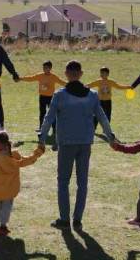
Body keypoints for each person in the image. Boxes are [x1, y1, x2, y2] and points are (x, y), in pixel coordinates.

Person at [39, 60, 115, 230]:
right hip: (85, 142)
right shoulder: (93, 95)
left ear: (66, 74)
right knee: (82, 182)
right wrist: (110, 136)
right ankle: (78, 219)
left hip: (66, 143)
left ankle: (65, 219)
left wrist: (42, 138)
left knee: (63, 182)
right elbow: (102, 117)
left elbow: (48, 118)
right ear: (81, 74)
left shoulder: (59, 95)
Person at [0, 131, 44, 235]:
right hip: (10, 189)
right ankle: (3, 226)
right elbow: (27, 161)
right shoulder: (14, 155)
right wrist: (38, 152)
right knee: (6, 208)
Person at [18, 60, 66, 133]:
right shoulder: (40, 75)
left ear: (50, 68)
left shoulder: (54, 77)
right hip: (42, 97)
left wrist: (73, 85)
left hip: (51, 98)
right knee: (42, 113)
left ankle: (55, 129)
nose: (44, 69)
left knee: (52, 113)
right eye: (43, 68)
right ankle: (41, 128)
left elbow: (62, 82)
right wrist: (20, 78)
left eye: (46, 68)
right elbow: (31, 78)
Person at [86, 67, 131, 131]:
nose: (101, 74)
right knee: (96, 115)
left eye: (103, 73)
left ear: (107, 74)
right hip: (100, 101)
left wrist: (128, 87)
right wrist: (80, 86)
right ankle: (93, 128)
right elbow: (89, 85)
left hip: (108, 101)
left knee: (107, 116)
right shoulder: (98, 81)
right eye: (100, 73)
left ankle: (106, 130)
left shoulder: (111, 82)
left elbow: (119, 87)